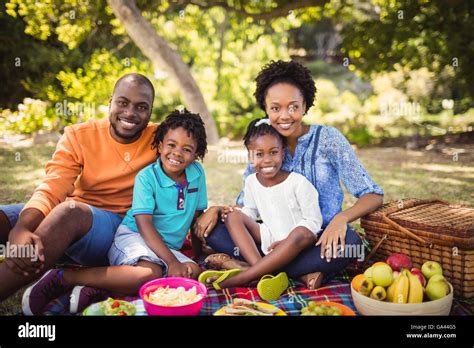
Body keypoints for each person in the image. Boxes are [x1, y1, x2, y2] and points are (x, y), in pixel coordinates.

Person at [194, 60, 384, 290]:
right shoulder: (264, 141)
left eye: (293, 107)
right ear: (265, 107)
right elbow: (246, 204)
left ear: (305, 105)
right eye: (275, 108)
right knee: (214, 229)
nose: (285, 116)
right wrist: (216, 210)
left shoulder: (328, 139)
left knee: (350, 243)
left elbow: (373, 195)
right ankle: (296, 273)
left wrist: (340, 220)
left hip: (316, 238)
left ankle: (249, 270)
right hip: (270, 237)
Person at [0, 73, 158, 314]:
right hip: (72, 212)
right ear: (110, 102)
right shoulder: (79, 135)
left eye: (141, 107)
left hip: (113, 228)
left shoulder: (160, 140)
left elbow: (189, 152)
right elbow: (53, 186)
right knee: (7, 218)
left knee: (68, 213)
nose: (130, 113)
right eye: (123, 103)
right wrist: (22, 227)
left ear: (150, 111)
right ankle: (31, 249)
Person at [23, 109, 209, 314]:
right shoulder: (147, 178)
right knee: (149, 273)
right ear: (160, 145)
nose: (176, 153)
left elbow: (197, 217)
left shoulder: (197, 174)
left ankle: (96, 289)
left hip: (167, 248)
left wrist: (198, 256)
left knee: (193, 274)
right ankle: (65, 277)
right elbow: (144, 224)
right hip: (135, 236)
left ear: (196, 154)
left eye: (186, 149)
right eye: (171, 145)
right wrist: (172, 261)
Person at [198, 118, 323, 298]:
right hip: (269, 238)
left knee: (305, 234)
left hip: (298, 242)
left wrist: (288, 240)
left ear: (283, 152)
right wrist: (235, 213)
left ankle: (244, 276)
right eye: (259, 154)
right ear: (250, 156)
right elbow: (250, 211)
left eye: (273, 152)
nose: (267, 160)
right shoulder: (251, 181)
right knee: (232, 216)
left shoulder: (298, 183)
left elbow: (313, 221)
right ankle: (263, 271)